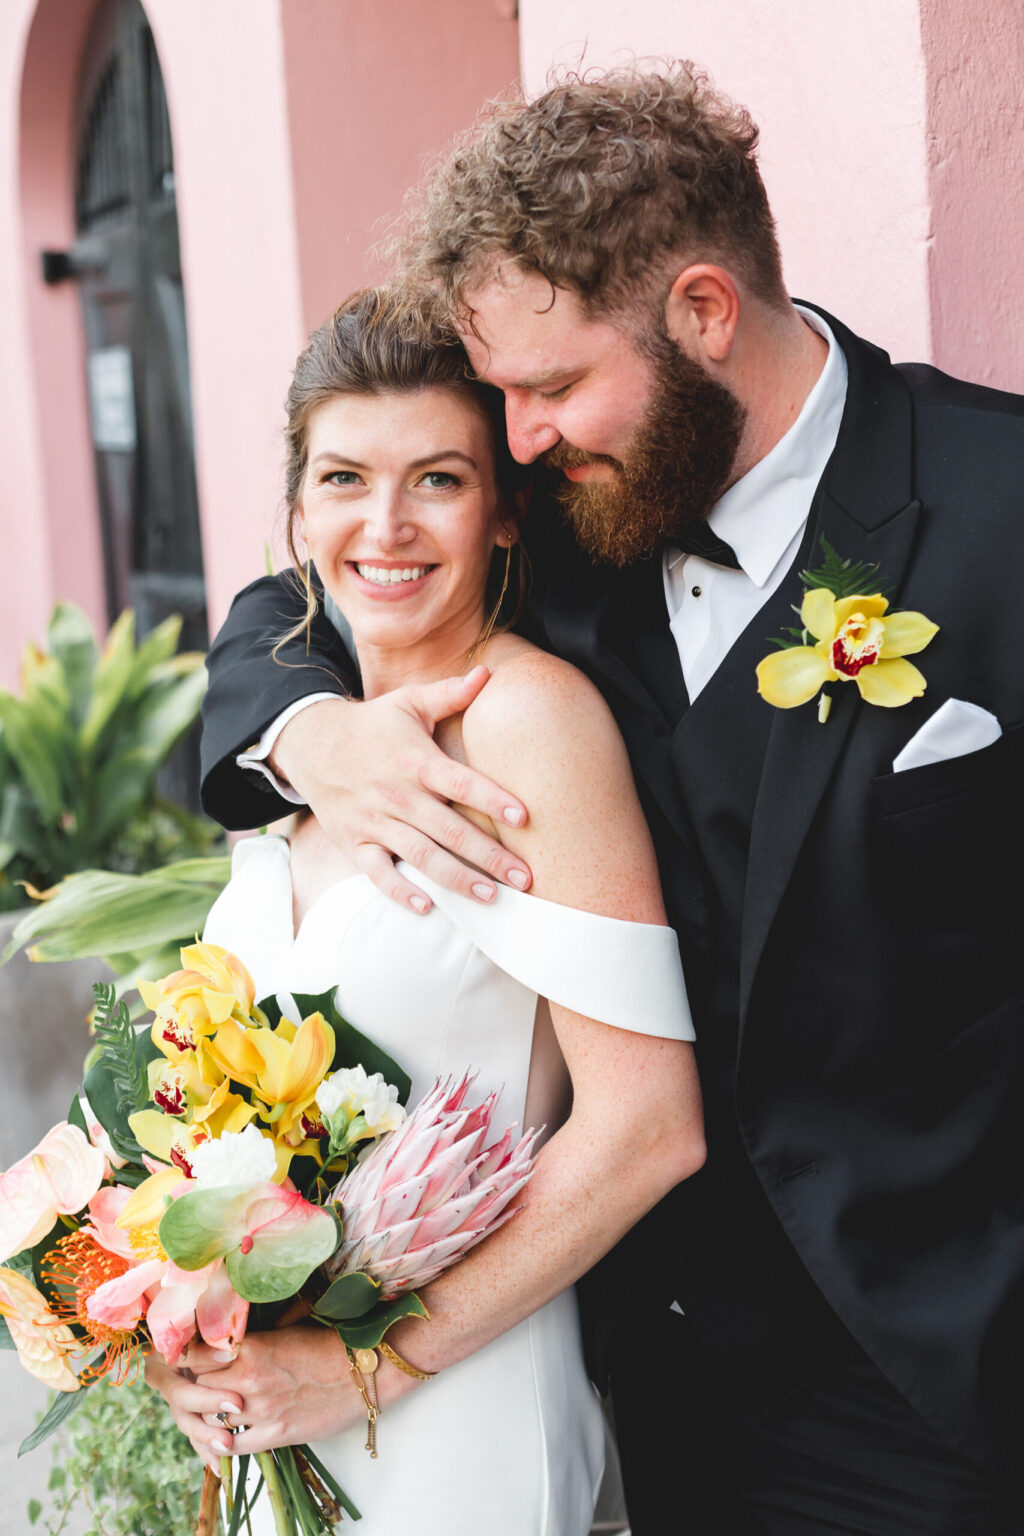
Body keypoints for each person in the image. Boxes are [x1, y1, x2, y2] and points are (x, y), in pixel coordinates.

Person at [199, 66, 1024, 1535]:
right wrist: (310, 733)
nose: (517, 437)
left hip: (946, 1381)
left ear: (704, 314)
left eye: (551, 385)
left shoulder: (1001, 499)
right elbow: (310, 585)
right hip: (647, 1375)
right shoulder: (574, 509)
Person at [146, 286, 704, 1534]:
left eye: (437, 480)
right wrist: (182, 1318)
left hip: (462, 1410)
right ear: (295, 510)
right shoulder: (299, 748)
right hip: (281, 1423)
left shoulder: (532, 723)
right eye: (343, 478)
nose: (383, 526)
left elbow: (648, 1129)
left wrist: (355, 1369)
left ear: (505, 513)